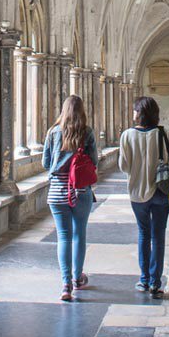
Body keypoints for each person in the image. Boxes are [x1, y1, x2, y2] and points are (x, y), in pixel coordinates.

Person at [42, 95, 98, 302]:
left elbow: (46, 163)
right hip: (81, 191)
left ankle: (65, 284)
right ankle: (77, 278)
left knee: (63, 237)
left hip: (57, 193)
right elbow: (93, 163)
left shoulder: (53, 132)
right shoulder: (87, 132)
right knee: (79, 235)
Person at [119, 96, 169, 297]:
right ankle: (155, 283)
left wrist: (138, 168)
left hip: (137, 192)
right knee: (159, 236)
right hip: (160, 191)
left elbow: (123, 166)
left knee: (144, 233)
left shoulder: (127, 135)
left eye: (135, 110)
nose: (133, 113)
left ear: (140, 113)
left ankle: (143, 279)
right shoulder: (163, 133)